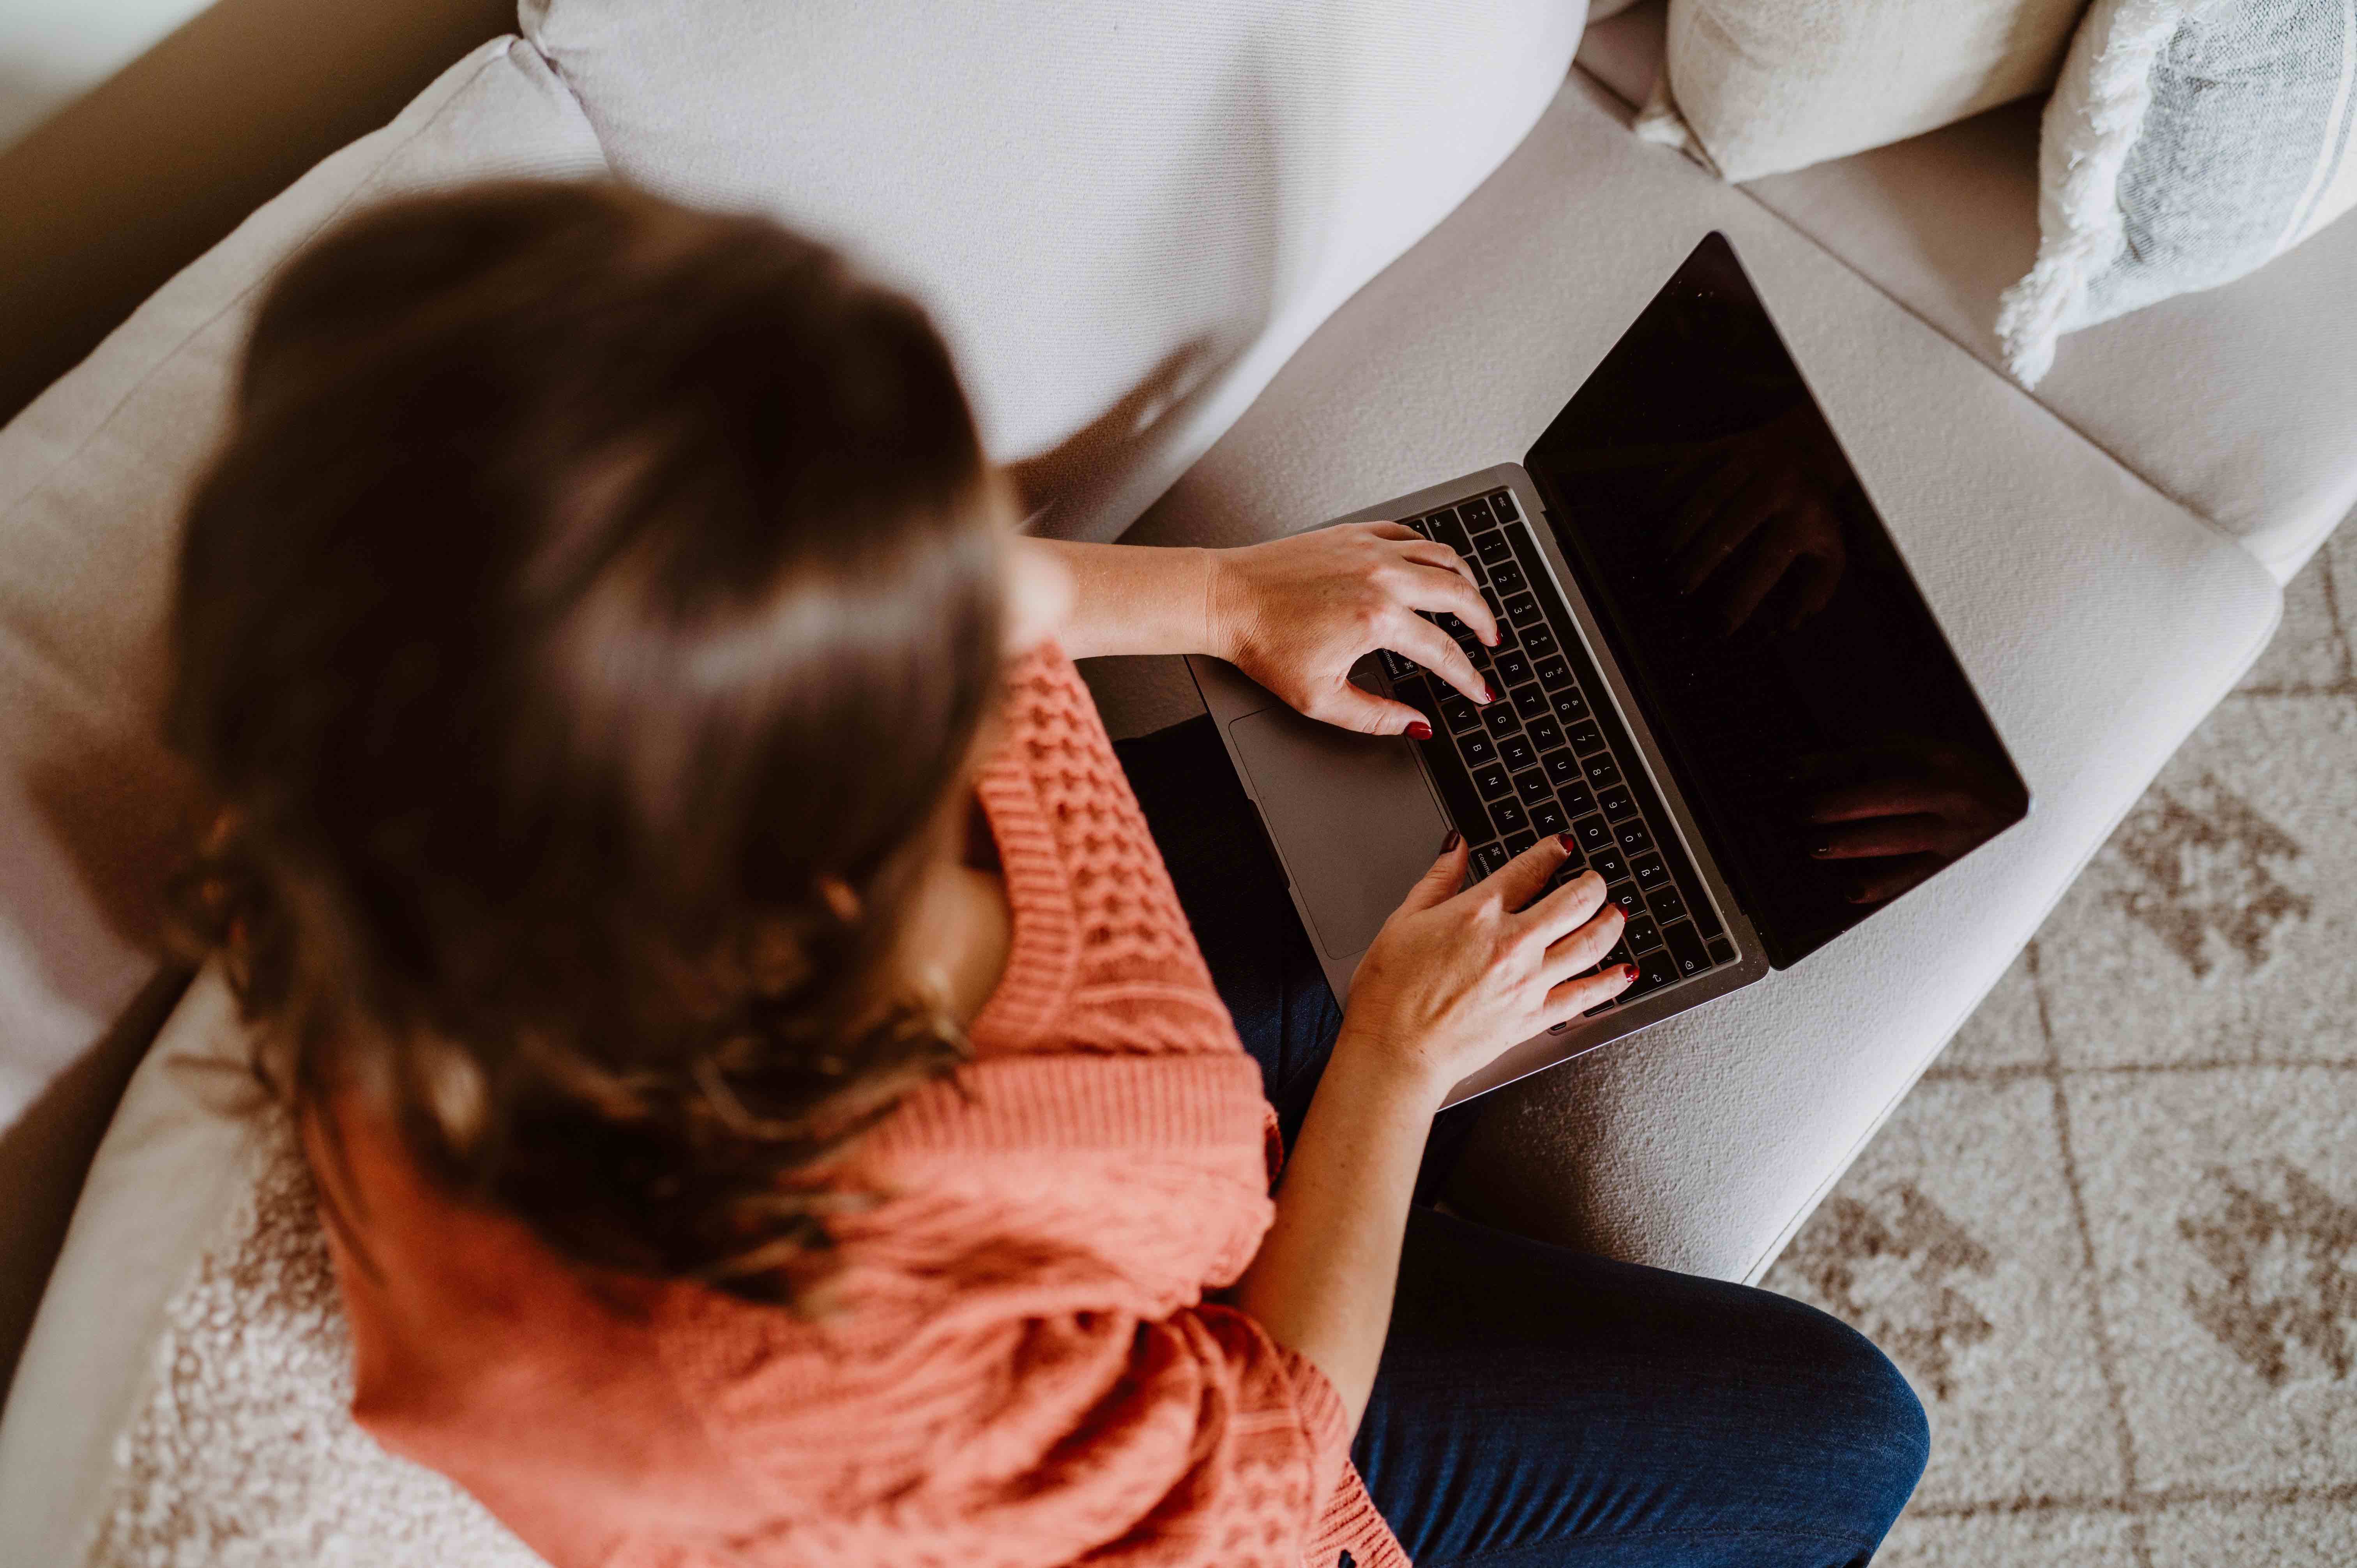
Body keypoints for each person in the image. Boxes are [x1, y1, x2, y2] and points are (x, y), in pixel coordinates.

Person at [167, 180, 1928, 1568]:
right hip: (1184, 1379)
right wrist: (1396, 1068)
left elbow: (906, 569)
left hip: (1130, 1123)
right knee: (1846, 1441)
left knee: (1690, 766)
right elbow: (1246, 1490)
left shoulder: (486, 665)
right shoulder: (777, 1375)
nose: (983, 596)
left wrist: (1229, 597)